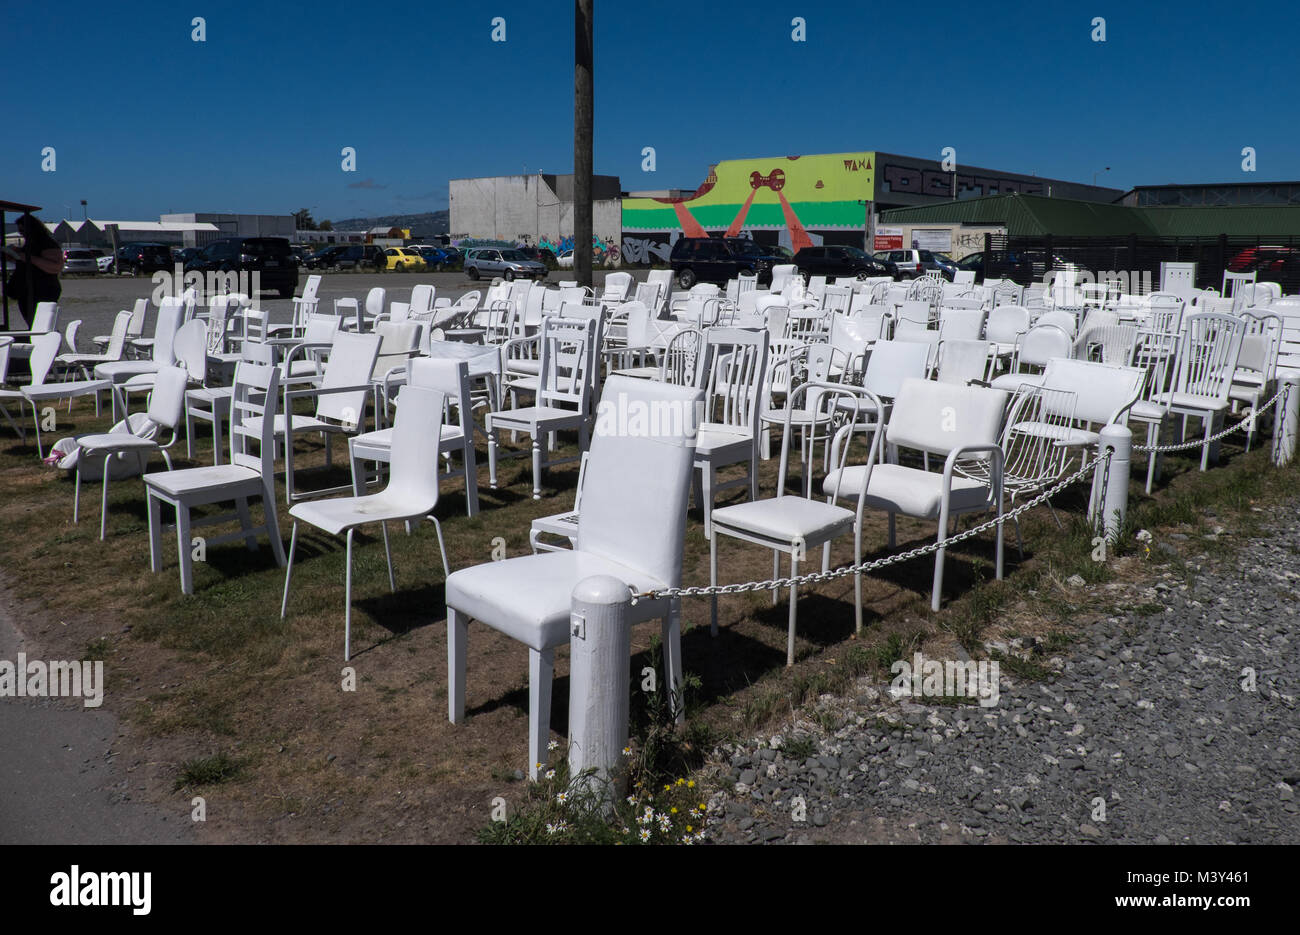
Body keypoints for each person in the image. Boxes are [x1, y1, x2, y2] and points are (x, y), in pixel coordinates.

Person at [3, 213, 63, 329]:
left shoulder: (46, 243)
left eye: (23, 230)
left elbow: (56, 266)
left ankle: (46, 343)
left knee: (42, 325)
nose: (21, 233)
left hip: (42, 290)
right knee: (34, 324)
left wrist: (25, 257)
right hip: (26, 291)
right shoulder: (30, 243)